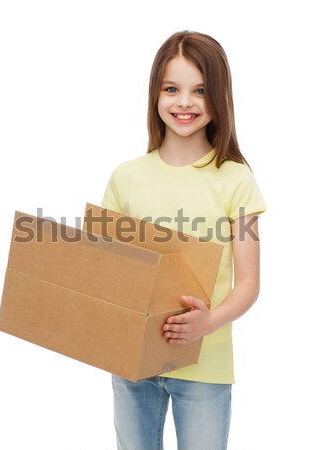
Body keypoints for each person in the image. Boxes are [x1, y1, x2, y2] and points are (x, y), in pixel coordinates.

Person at [100, 29, 267, 450]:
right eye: (172, 88)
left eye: (200, 90)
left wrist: (207, 322)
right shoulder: (127, 177)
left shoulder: (235, 180)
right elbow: (104, 270)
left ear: (220, 98)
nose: (184, 102)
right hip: (131, 362)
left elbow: (248, 283)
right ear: (155, 95)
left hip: (204, 367)